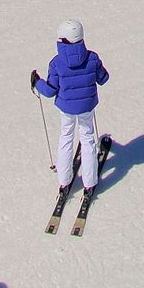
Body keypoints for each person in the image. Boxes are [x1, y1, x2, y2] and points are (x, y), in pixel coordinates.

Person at [31, 19, 110, 202]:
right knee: (88, 139)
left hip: (66, 108)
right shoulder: (92, 58)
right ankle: (89, 184)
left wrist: (37, 82)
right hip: (87, 107)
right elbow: (103, 78)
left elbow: (50, 90)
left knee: (66, 137)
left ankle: (64, 181)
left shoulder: (57, 63)